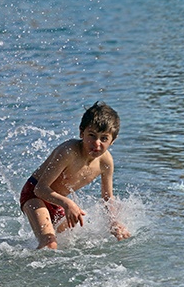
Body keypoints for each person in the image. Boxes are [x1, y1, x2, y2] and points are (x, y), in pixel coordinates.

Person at [19, 102, 131, 250]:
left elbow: (107, 198)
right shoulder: (68, 151)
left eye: (104, 138)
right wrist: (68, 204)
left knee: (75, 244)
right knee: (50, 243)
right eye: (92, 135)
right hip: (34, 194)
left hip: (58, 202)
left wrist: (114, 222)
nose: (97, 143)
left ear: (112, 141)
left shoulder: (106, 162)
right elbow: (40, 189)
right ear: (81, 133)